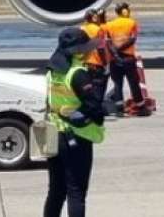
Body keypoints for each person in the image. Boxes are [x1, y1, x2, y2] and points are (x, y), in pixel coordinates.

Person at [44, 27, 107, 217]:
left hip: (53, 132)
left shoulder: (52, 72)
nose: (90, 50)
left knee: (56, 190)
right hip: (75, 137)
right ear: (78, 51)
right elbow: (94, 106)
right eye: (86, 47)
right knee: (76, 192)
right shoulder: (77, 73)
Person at [103, 2, 148, 116]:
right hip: (128, 58)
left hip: (114, 59)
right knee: (134, 83)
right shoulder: (131, 23)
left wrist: (115, 53)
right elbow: (132, 39)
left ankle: (119, 109)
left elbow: (108, 43)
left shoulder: (109, 25)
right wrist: (120, 49)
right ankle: (140, 107)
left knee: (118, 84)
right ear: (125, 11)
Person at [79, 9, 109, 107]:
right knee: (99, 87)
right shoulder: (98, 29)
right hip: (96, 62)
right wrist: (105, 64)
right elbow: (101, 48)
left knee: (87, 87)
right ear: (94, 18)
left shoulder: (81, 29)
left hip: (83, 63)